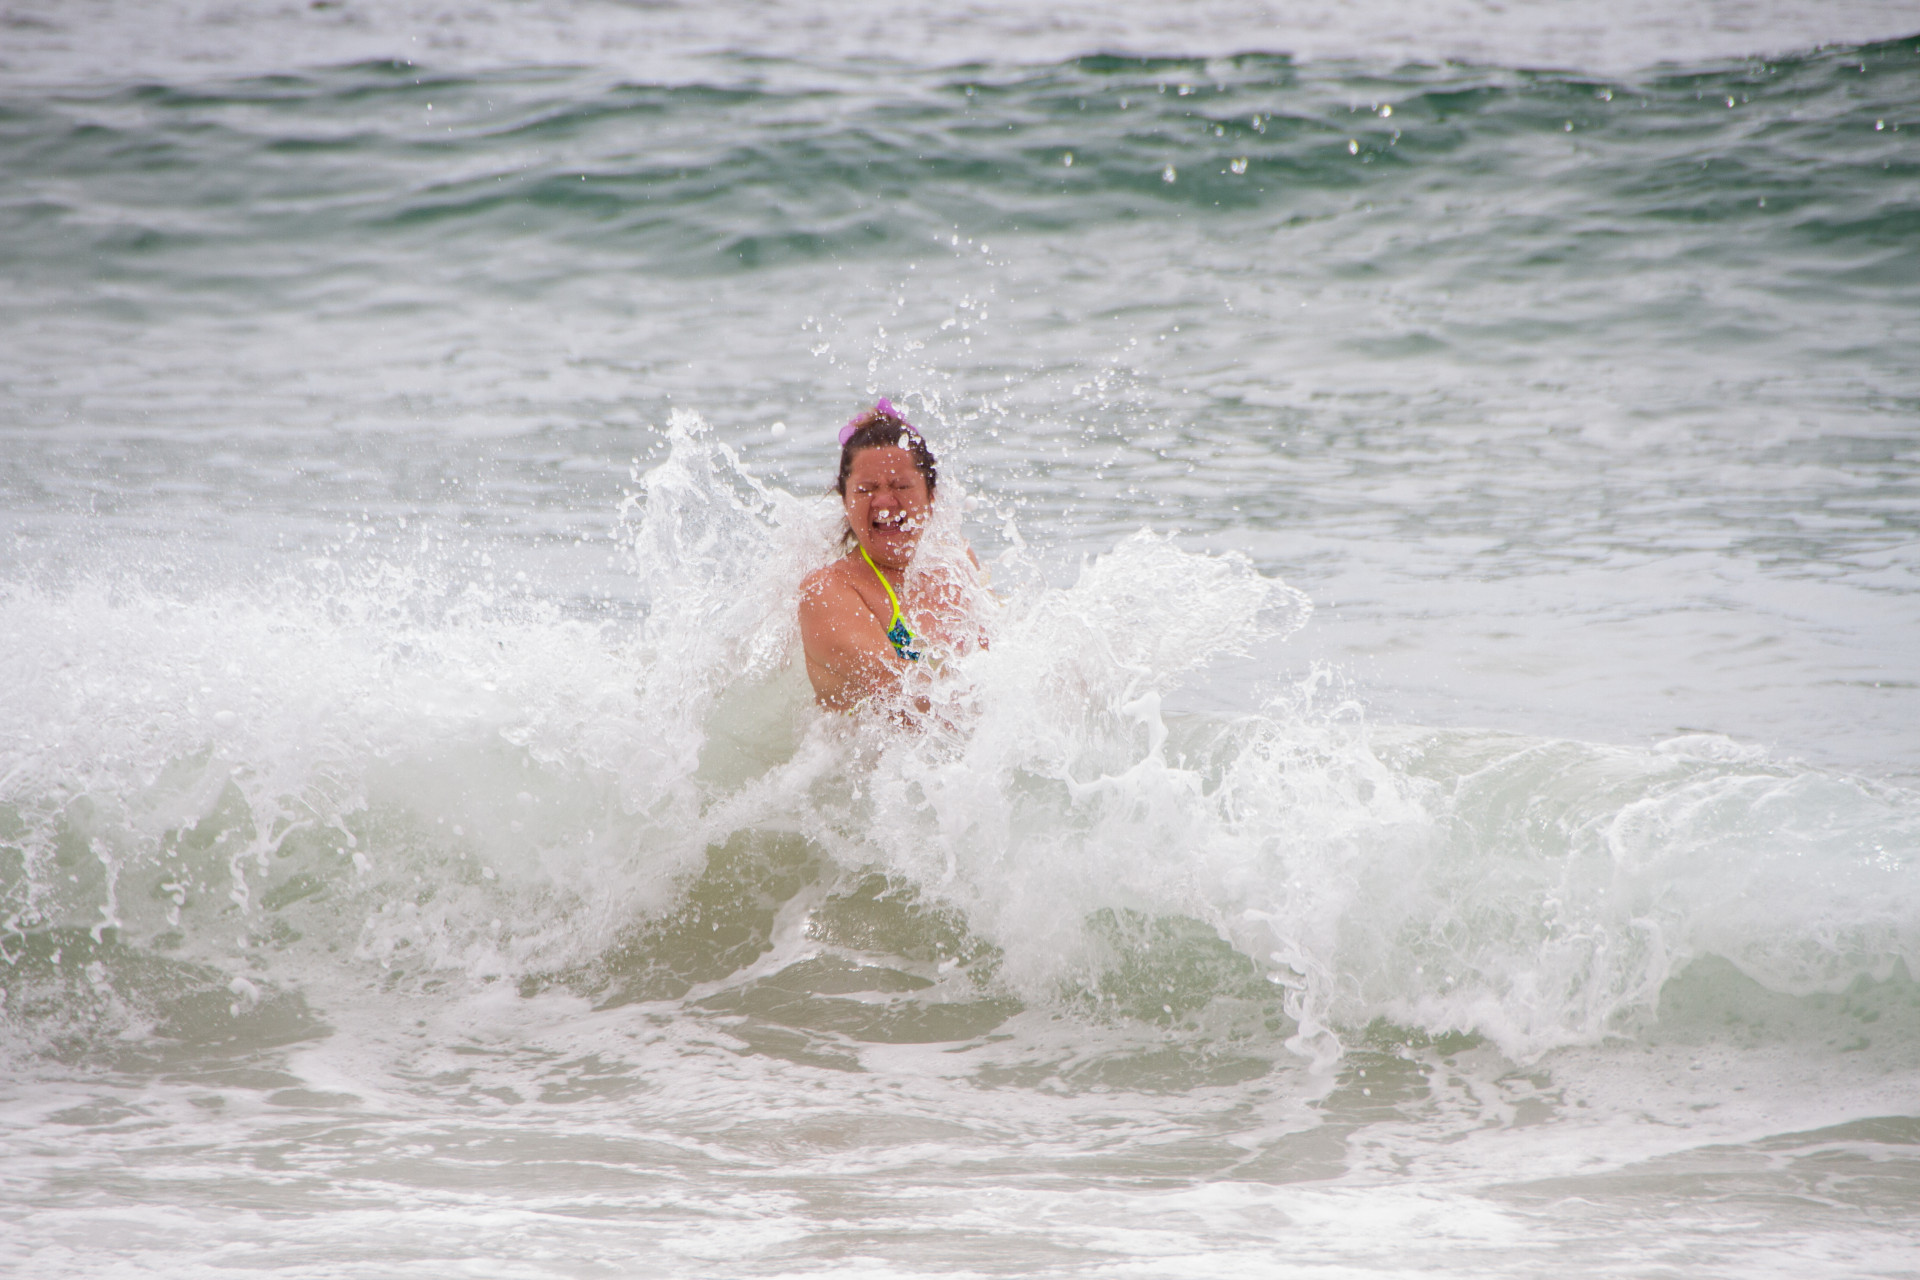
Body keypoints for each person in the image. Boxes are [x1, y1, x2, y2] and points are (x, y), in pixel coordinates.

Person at [798, 399, 986, 712]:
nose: (884, 502)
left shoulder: (956, 559)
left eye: (901, 485)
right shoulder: (826, 592)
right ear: (845, 502)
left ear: (931, 495)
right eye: (866, 489)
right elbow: (908, 703)